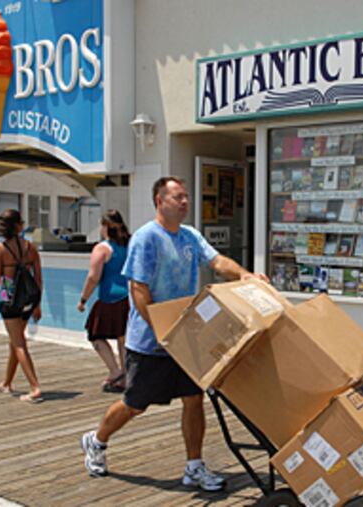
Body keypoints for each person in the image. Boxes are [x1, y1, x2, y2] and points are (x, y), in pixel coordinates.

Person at [81, 176, 268, 490]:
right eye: (177, 197)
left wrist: (245, 275)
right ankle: (96, 441)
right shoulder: (146, 238)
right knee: (135, 404)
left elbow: (217, 261)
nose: (184, 202)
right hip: (150, 342)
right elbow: (138, 289)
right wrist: (160, 328)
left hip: (186, 337)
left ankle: (194, 466)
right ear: (159, 201)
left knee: (194, 399)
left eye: (185, 197)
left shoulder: (190, 236)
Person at [0, 209, 44, 403]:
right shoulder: (30, 247)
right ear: (19, 225)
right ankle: (7, 383)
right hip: (28, 298)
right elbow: (39, 279)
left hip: (8, 296)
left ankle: (35, 387)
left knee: (18, 343)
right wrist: (38, 304)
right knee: (15, 341)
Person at [77, 210, 131, 393]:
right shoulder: (130, 245)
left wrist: (83, 299)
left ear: (105, 227)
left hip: (110, 298)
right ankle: (126, 376)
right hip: (130, 296)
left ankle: (115, 372)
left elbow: (93, 277)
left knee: (95, 334)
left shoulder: (102, 248)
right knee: (123, 337)